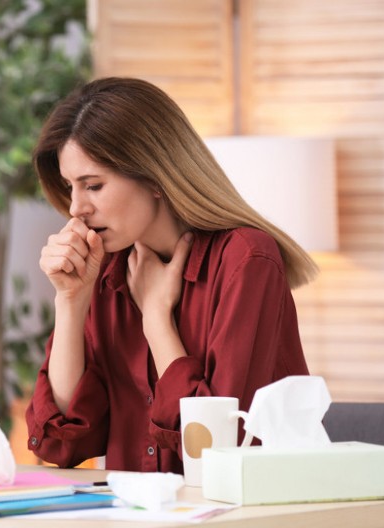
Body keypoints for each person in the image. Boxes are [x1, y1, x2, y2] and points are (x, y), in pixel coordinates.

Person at [25, 77, 317, 474]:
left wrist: (157, 320)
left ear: (153, 177)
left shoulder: (247, 260)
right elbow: (62, 442)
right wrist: (71, 301)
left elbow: (218, 449)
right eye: (69, 187)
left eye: (93, 185)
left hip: (243, 504)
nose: (76, 208)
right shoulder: (105, 268)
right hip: (138, 505)